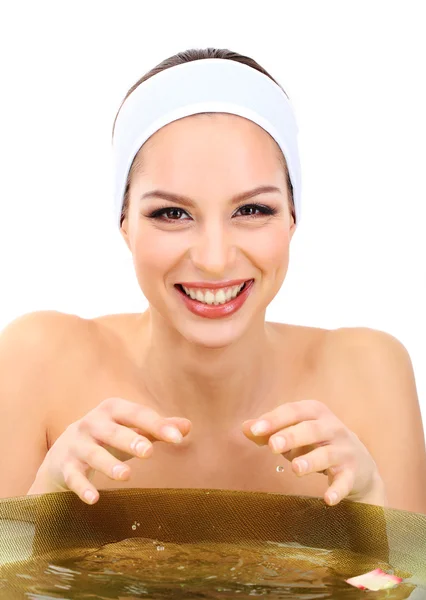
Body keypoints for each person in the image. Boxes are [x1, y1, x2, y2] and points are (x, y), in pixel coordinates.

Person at [1, 47, 425, 514]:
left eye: (252, 210)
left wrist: (376, 512)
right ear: (125, 225)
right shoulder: (37, 362)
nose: (215, 259)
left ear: (292, 218)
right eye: (172, 213)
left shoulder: (370, 376)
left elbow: (400, 585)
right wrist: (37, 508)